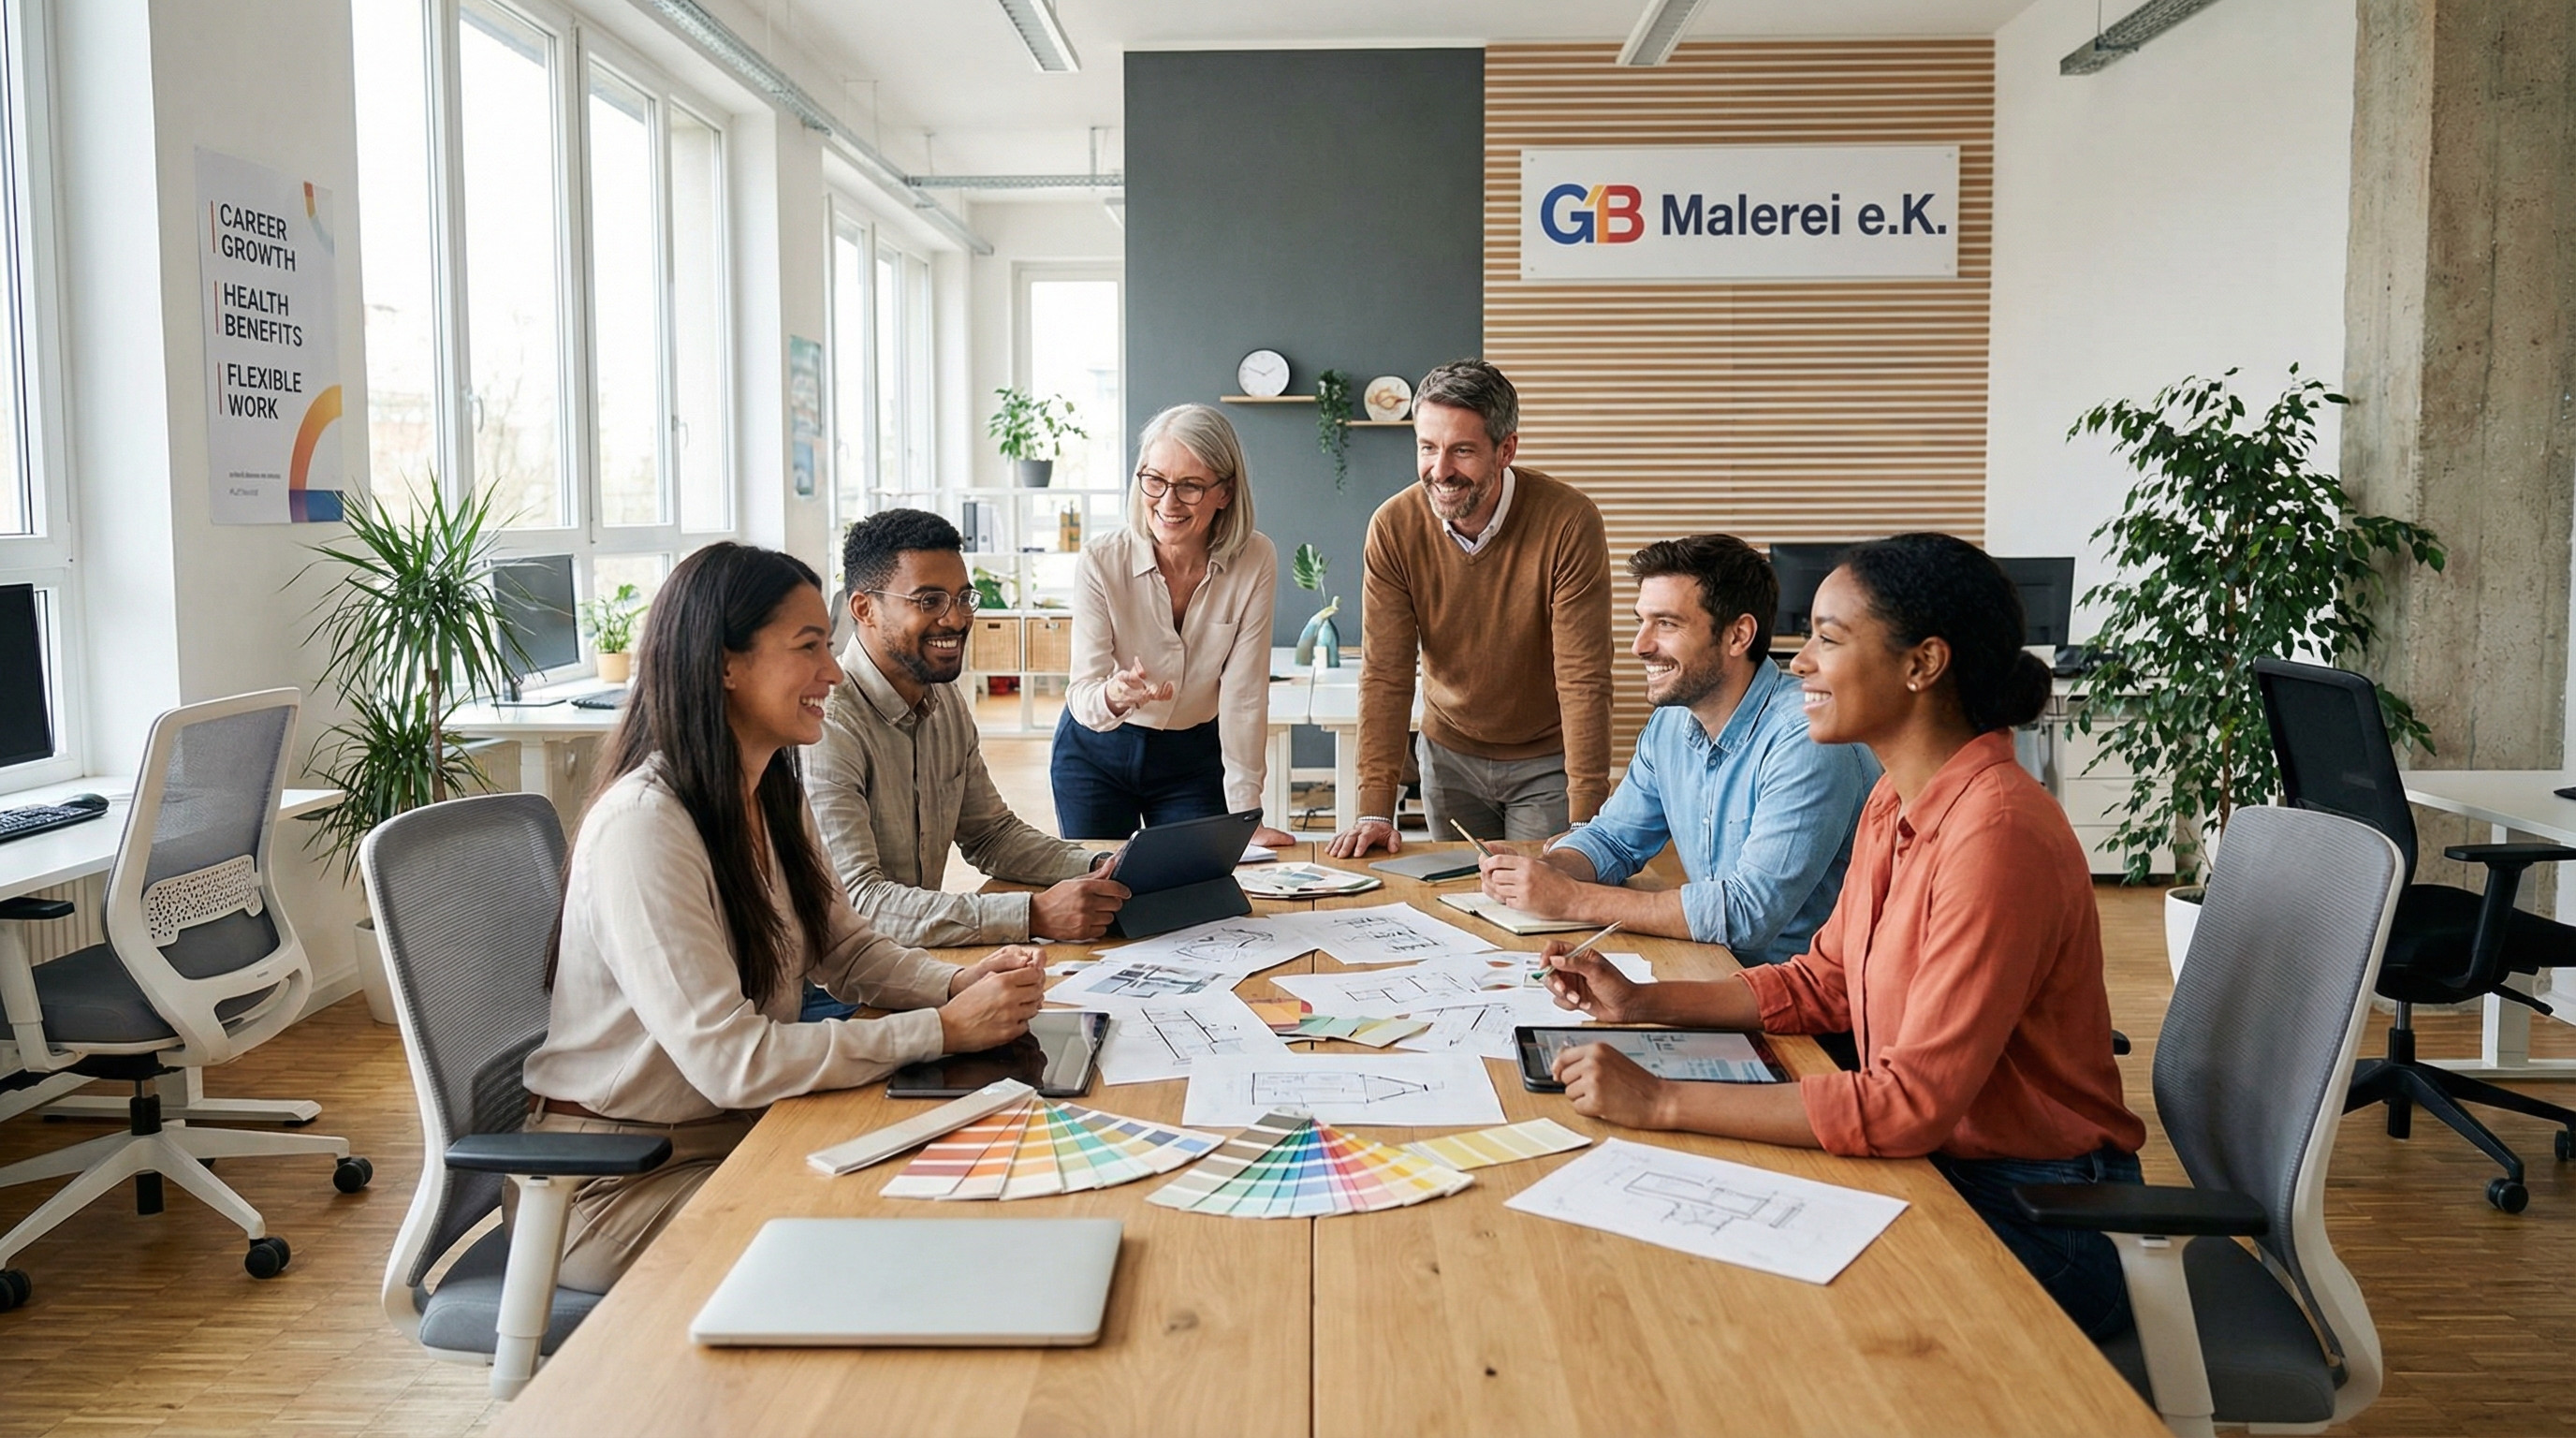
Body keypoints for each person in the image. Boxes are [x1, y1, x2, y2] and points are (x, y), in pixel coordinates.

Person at [1536, 533, 2145, 1341]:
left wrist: (1664, 1098)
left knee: (1744, 1312)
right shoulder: (1897, 800)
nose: (1799, 664)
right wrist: (1644, 1001)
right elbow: (1826, 983)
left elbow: (1908, 1106)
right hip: (1949, 1170)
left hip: (2043, 1213)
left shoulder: (1996, 833)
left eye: (1827, 638)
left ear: (1922, 664)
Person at [521, 542, 1046, 1294]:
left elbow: (847, 950)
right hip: (614, 1182)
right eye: (808, 649)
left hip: (731, 1135)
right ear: (724, 664)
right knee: (893, 1243)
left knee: (958, 1186)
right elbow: (732, 1062)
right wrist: (942, 1029)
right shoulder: (645, 827)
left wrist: (956, 982)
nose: (833, 673)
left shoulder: (766, 790)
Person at [1477, 535, 1877, 965]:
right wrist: (1547, 869)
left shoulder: (1806, 739)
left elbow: (1747, 915)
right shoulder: (1671, 721)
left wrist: (1572, 900)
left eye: (1666, 624)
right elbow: (1615, 839)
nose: (1640, 645)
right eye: (1641, 621)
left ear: (1738, 635)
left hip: (1805, 1005)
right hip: (1720, 972)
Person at [1325, 359, 1611, 858]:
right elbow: (1386, 673)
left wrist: (1587, 815)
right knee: (1459, 905)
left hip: (1545, 763)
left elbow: (1583, 676)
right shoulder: (1393, 526)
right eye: (1428, 448)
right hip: (1448, 756)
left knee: (1544, 904)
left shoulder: (1568, 521)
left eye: (1461, 450)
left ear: (1506, 450)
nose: (1440, 471)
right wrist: (1375, 807)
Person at [808, 508, 1132, 946]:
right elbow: (861, 905)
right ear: (864, 608)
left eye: (963, 598)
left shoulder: (944, 701)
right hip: (840, 991)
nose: (957, 619)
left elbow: (991, 835)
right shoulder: (827, 727)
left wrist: (1099, 864)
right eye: (930, 601)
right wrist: (1032, 915)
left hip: (911, 961)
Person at [1056, 404, 1292, 846]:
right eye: (1155, 480)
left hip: (1191, 760)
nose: (1167, 502)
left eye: (1190, 487)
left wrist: (1247, 814)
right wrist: (1114, 694)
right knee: (1101, 898)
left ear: (1225, 492)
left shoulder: (1255, 559)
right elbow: (1082, 691)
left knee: (1192, 896)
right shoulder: (1101, 561)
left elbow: (1244, 694)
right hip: (1096, 754)